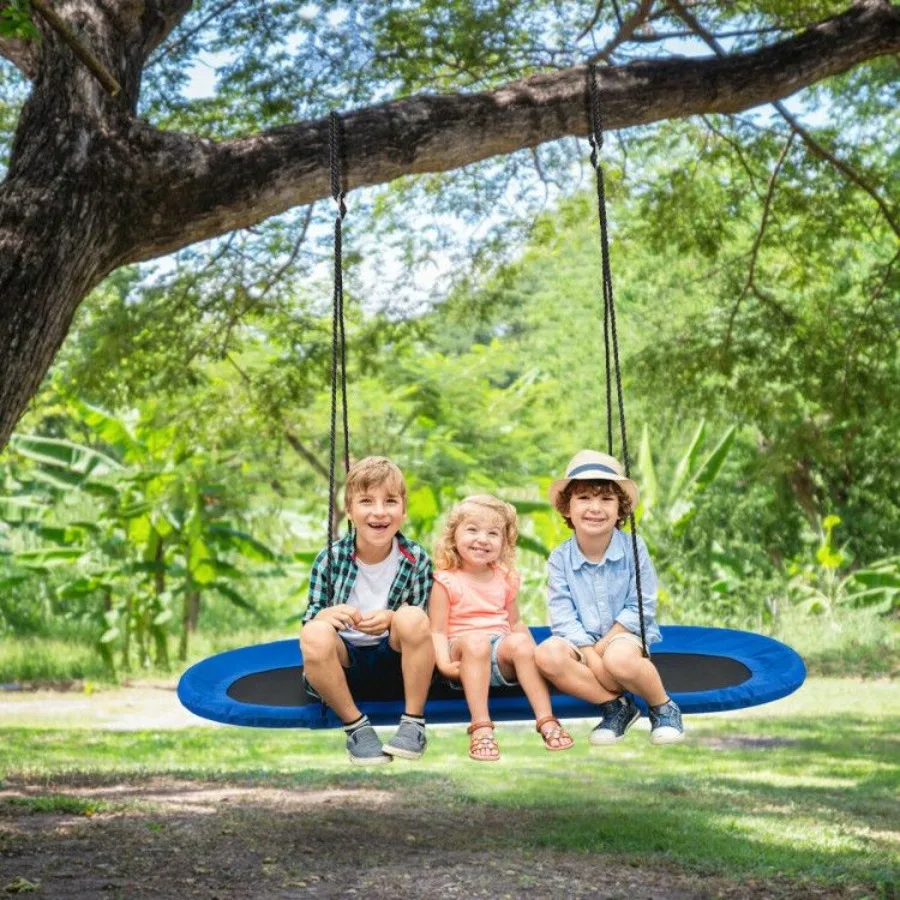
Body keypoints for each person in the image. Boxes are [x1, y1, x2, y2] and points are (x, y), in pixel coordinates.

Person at [534, 450, 684, 746]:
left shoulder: (633, 547)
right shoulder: (560, 558)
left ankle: (663, 707)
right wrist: (590, 653)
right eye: (584, 498)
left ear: (620, 509)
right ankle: (617, 707)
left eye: (606, 499)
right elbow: (563, 615)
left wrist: (602, 650)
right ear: (567, 508)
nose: (595, 508)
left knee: (619, 659)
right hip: (580, 640)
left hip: (624, 636)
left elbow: (640, 604)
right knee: (545, 654)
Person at [300, 456, 435, 766]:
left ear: (403, 510)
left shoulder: (415, 558)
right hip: (344, 665)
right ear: (350, 511)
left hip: (397, 662)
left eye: (390, 501)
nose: (379, 511)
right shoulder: (330, 559)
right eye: (366, 501)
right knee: (313, 631)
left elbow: (423, 625)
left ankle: (413, 723)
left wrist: (392, 619)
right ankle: (357, 728)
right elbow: (312, 619)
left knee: (412, 616)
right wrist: (324, 617)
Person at [429, 494, 574, 761]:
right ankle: (481, 727)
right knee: (476, 642)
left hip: (499, 655)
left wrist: (535, 656)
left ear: (504, 543)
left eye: (493, 533)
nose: (482, 539)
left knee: (519, 642)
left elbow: (515, 622)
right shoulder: (445, 581)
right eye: (472, 530)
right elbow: (436, 630)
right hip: (463, 657)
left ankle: (546, 720)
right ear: (453, 537)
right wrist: (444, 665)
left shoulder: (505, 578)